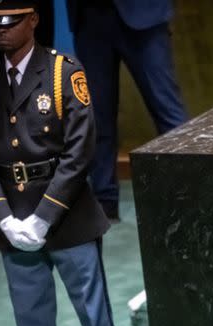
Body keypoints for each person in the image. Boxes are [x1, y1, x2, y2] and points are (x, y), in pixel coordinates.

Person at [0, 0, 122, 326]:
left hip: (68, 216)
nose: (1, 29)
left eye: (11, 22)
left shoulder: (62, 73)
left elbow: (80, 152)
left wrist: (44, 216)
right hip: (14, 220)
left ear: (33, 20)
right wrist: (4, 218)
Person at [65, 0, 189, 221]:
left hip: (144, 13)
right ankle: (104, 202)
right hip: (89, 17)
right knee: (97, 117)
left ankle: (191, 191)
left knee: (168, 111)